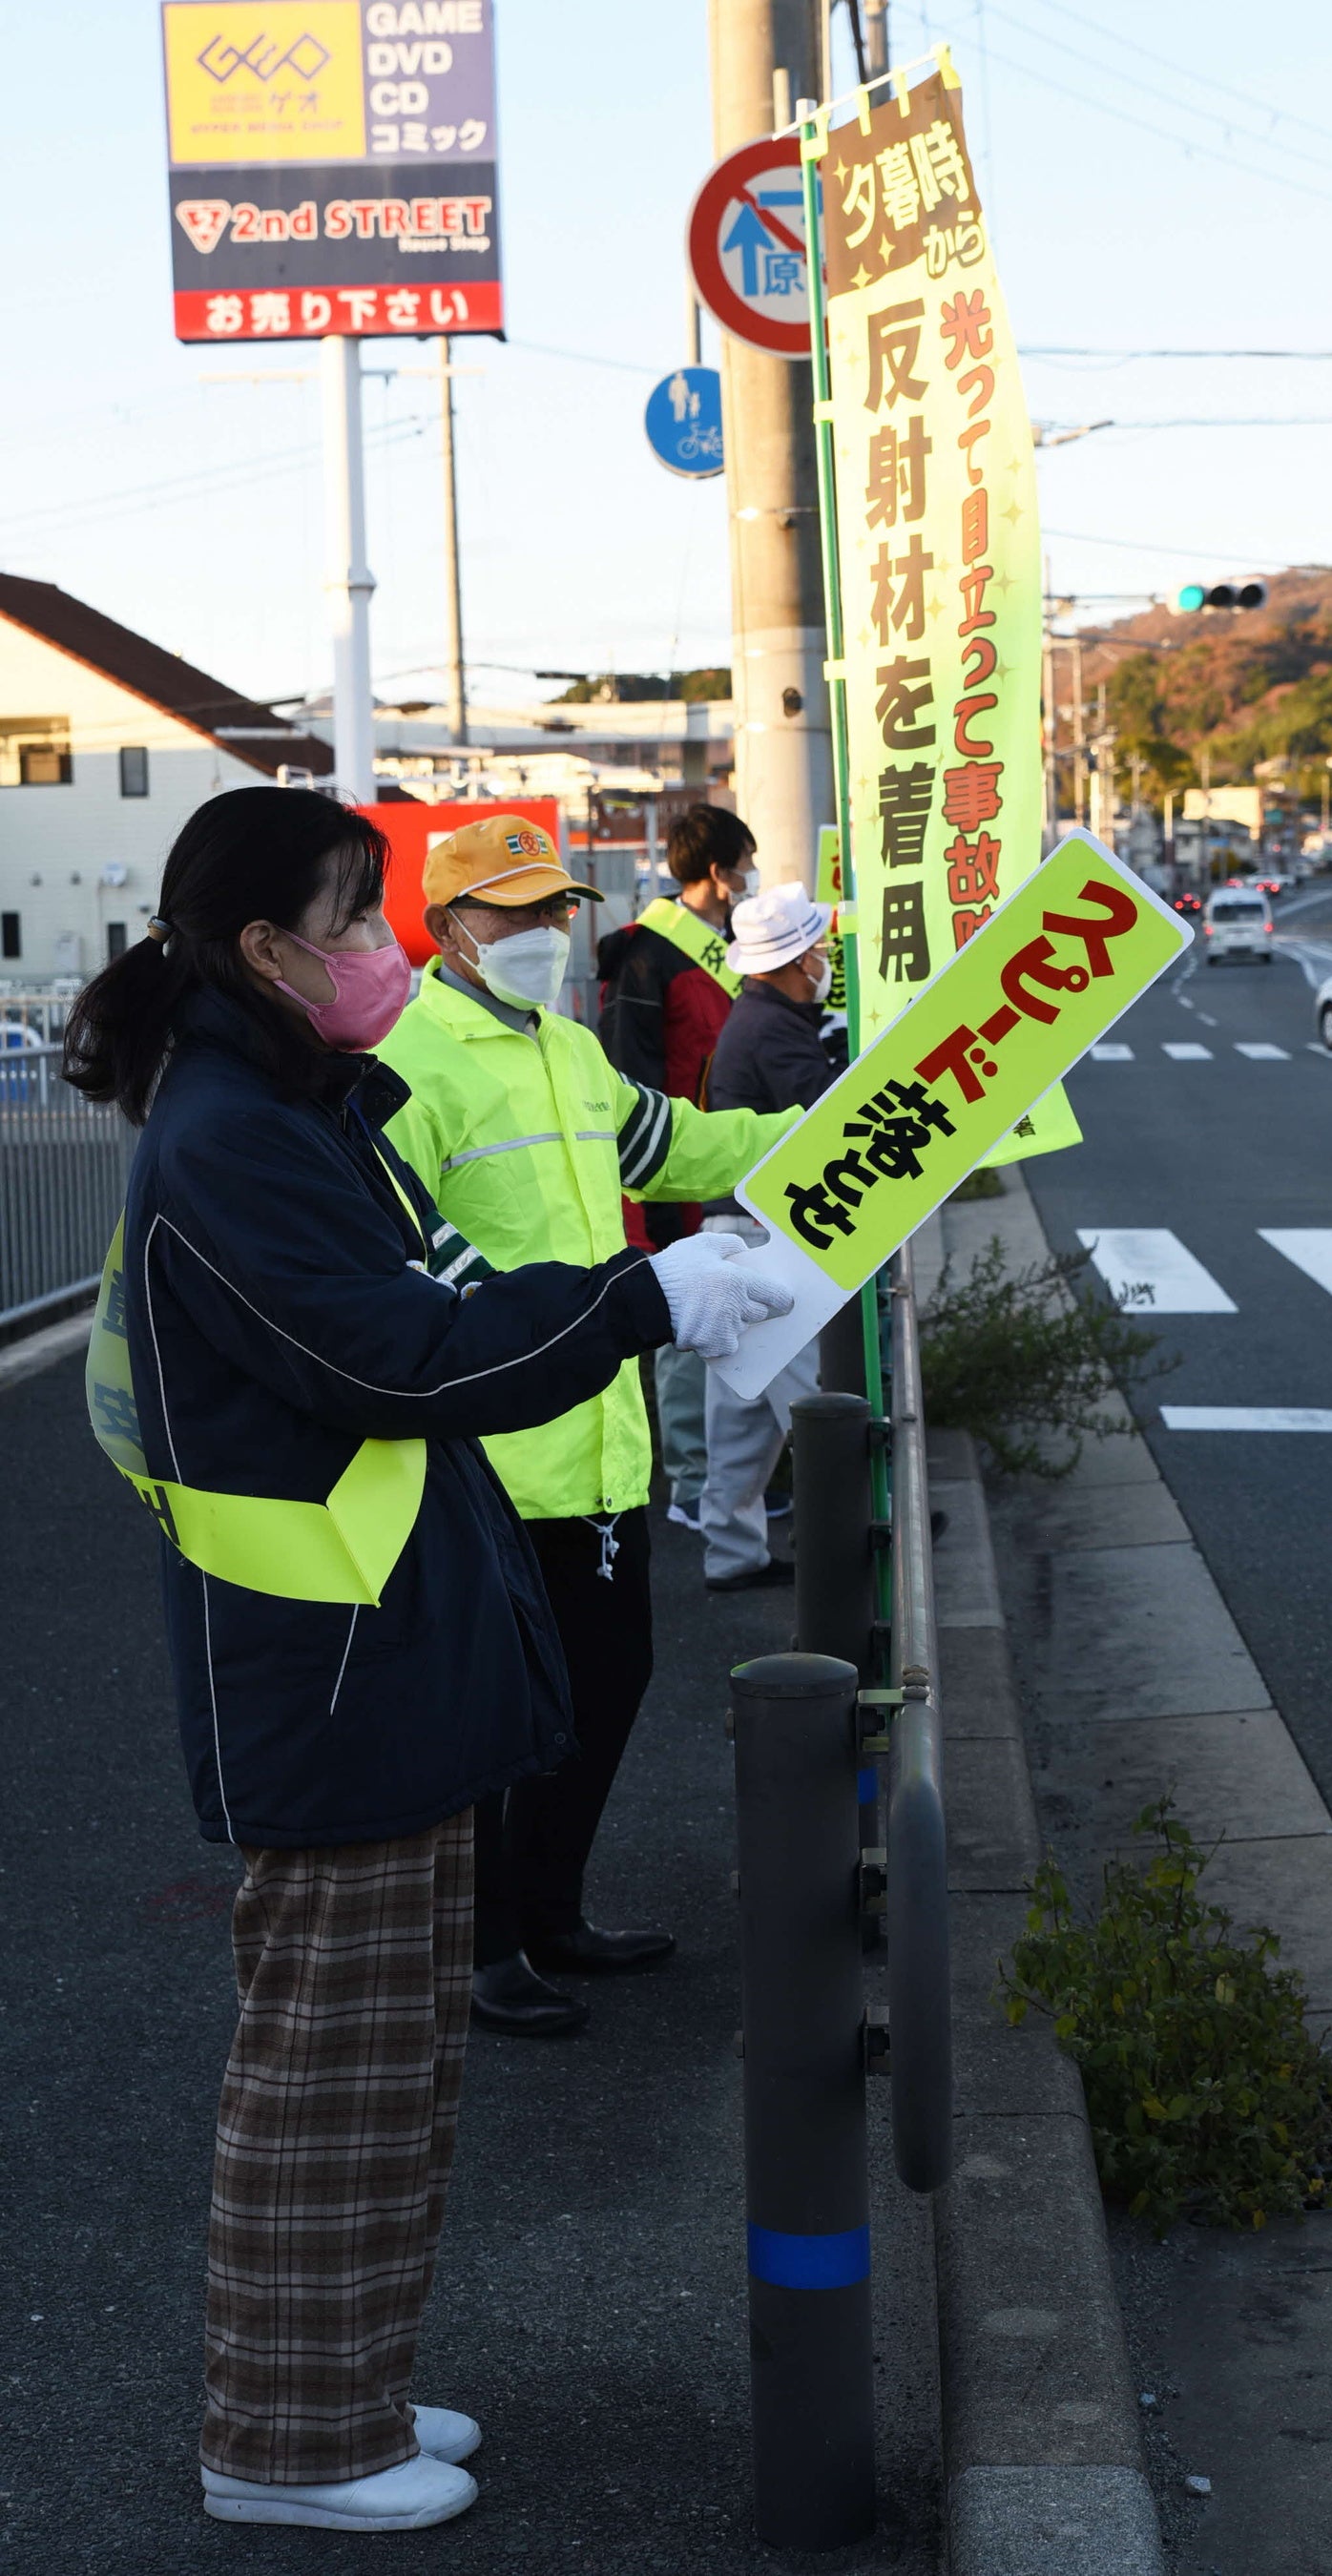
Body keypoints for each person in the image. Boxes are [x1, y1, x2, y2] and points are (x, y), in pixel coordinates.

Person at [64, 787, 789, 2534]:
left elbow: (450, 1299)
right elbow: (400, 1360)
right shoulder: (233, 1133)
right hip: (323, 1675)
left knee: (390, 2071)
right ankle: (289, 2445)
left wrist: (652, 1283)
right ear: (268, 950)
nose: (386, 950)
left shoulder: (294, 1101)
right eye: (362, 918)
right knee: (333, 2075)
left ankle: (349, 2392)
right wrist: (645, 1304)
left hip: (375, 1655)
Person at [377, 814, 801, 2037]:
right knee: (502, 1720)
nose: (543, 932)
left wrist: (825, 1129)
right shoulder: (409, 1054)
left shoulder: (567, 1048)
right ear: (450, 928)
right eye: (511, 913)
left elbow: (672, 1145)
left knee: (607, 1687)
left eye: (554, 909)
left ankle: (553, 1911)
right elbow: (406, 1249)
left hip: (605, 1440)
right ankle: (487, 1944)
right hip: (492, 1457)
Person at [597, 805, 755, 1530]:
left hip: (721, 1157)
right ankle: (692, 1481)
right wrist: (648, 1182)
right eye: (743, 866)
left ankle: (730, 1477)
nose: (748, 880)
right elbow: (633, 1072)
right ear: (718, 874)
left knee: (734, 1319)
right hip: (667, 1167)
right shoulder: (644, 953)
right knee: (686, 1324)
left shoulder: (726, 949)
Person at [699, 882, 844, 1592]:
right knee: (814, 1402)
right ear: (792, 961)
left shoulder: (755, 1019)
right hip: (768, 1241)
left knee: (739, 1412)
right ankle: (853, 1531)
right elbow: (824, 1119)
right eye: (816, 949)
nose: (823, 961)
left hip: (732, 1233)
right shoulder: (776, 1029)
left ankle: (732, 1555)